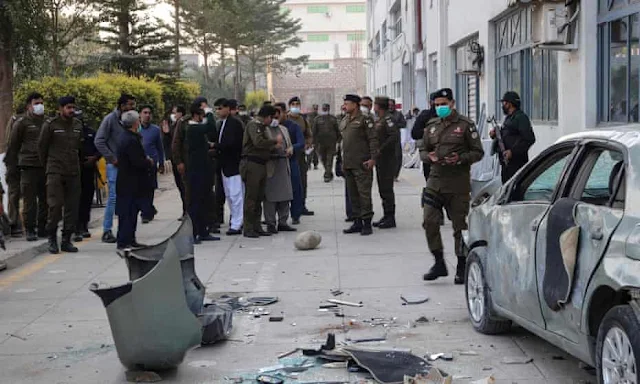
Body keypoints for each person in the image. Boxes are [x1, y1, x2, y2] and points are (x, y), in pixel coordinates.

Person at [421, 88, 484, 284]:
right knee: (429, 221)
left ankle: (461, 264)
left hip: (458, 184)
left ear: (452, 103)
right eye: (437, 104)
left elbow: (478, 152)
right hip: (434, 181)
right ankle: (439, 261)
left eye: (443, 104)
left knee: (460, 227)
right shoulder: (431, 125)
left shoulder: (465, 125)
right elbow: (423, 148)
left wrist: (460, 159)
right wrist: (428, 156)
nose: (440, 107)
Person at [38, 96, 83, 254]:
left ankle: (66, 240)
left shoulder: (77, 124)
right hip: (55, 170)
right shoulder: (50, 125)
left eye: (73, 108)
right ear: (60, 109)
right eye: (68, 108)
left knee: (72, 207)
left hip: (73, 171)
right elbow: (42, 148)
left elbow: (79, 147)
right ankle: (52, 238)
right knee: (55, 206)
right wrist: (49, 167)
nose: (71, 111)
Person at [5, 92, 48, 241]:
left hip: (45, 166)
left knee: (46, 199)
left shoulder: (47, 122)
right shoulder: (21, 123)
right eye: (36, 103)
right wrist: (12, 168)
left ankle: (42, 227)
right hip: (27, 166)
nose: (40, 106)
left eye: (41, 103)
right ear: (28, 106)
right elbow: (13, 146)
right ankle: (30, 229)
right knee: (29, 201)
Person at [95, 93, 136, 243]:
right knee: (113, 198)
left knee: (128, 198)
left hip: (128, 166)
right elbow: (99, 141)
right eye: (130, 105)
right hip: (115, 166)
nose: (132, 108)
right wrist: (112, 158)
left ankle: (125, 230)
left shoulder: (130, 121)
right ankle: (107, 230)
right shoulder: (110, 120)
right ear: (122, 105)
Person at [114, 110, 154, 250]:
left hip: (129, 181)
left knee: (131, 213)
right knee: (127, 213)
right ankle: (124, 241)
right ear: (135, 122)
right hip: (130, 182)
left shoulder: (127, 137)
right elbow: (137, 161)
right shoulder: (130, 140)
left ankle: (130, 239)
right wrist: (148, 161)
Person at [340, 94, 379, 236]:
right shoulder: (345, 120)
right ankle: (357, 221)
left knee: (364, 194)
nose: (345, 106)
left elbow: (373, 140)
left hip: (362, 163)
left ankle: (367, 223)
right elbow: (343, 143)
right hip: (348, 163)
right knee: (353, 195)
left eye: (347, 103)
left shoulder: (365, 119)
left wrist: (373, 158)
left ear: (355, 105)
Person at [240, 105, 279, 238]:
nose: (272, 121)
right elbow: (258, 142)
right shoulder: (254, 125)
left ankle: (257, 226)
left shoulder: (263, 127)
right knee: (251, 197)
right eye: (271, 118)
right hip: (252, 165)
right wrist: (274, 142)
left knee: (259, 197)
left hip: (261, 164)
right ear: (267, 117)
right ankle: (248, 227)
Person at [185, 102, 220, 243]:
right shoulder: (193, 128)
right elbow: (210, 126)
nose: (203, 118)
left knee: (205, 201)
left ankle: (203, 231)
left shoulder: (197, 129)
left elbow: (210, 134)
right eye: (201, 116)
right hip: (196, 171)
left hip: (203, 170)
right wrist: (210, 113)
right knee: (196, 203)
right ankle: (193, 233)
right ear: (196, 116)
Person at [212, 98, 244, 236]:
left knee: (237, 195)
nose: (218, 111)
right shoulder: (222, 124)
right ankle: (235, 221)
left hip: (234, 165)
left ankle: (237, 224)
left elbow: (232, 144)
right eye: (216, 109)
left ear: (227, 108)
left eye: (220, 108)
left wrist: (215, 146)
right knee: (230, 196)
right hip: (224, 165)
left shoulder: (234, 124)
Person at [491, 91, 536, 183]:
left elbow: (529, 139)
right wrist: (496, 134)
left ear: (509, 104)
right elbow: (508, 135)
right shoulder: (509, 118)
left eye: (504, 103)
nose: (503, 105)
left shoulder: (521, 118)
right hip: (506, 164)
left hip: (517, 165)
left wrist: (513, 152)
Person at [264, 107, 296, 234]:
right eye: (273, 117)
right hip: (271, 166)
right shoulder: (264, 130)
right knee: (270, 198)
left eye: (277, 117)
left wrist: (290, 150)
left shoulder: (284, 129)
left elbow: (289, 145)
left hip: (283, 164)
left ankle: (283, 222)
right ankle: (271, 223)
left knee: (285, 196)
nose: (275, 120)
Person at [275, 103, 304, 225]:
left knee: (295, 188)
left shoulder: (293, 126)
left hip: (291, 161)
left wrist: (292, 148)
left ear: (284, 112)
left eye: (278, 114)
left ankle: (296, 214)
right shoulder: (272, 127)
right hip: (276, 162)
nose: (276, 117)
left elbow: (301, 142)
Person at [74, 110, 101, 242]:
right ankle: (75, 227)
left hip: (88, 170)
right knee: (74, 200)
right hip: (73, 171)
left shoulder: (90, 132)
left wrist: (95, 158)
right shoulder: (70, 133)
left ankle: (84, 225)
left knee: (87, 198)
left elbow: (99, 147)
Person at [372, 97, 399, 229]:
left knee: (387, 189)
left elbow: (393, 136)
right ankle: (386, 215)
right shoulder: (380, 119)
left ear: (378, 106)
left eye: (375, 105)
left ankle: (390, 217)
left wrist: (381, 149)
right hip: (381, 159)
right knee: (382, 188)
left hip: (387, 159)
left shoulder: (388, 119)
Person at [287, 97, 314, 216]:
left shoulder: (303, 119)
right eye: (293, 104)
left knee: (302, 181)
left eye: (297, 104)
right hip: (287, 154)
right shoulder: (286, 119)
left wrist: (308, 143)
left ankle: (301, 206)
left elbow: (308, 134)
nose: (295, 106)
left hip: (300, 154)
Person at [138, 105, 165, 223]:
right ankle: (148, 209)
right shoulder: (135, 129)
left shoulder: (155, 130)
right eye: (145, 112)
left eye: (149, 113)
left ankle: (146, 213)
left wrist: (161, 163)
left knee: (150, 189)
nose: (147, 115)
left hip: (152, 164)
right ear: (140, 114)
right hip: (138, 164)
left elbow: (160, 147)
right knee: (139, 189)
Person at [4, 105, 26, 237]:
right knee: (24, 194)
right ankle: (22, 225)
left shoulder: (14, 120)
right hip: (20, 162)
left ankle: (16, 225)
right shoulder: (20, 121)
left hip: (16, 162)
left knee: (14, 194)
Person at [162, 105, 187, 218]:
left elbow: (177, 142)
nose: (173, 115)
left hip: (182, 161)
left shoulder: (183, 125)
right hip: (175, 161)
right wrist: (166, 133)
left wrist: (168, 133)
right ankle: (185, 210)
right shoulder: (174, 125)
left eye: (175, 112)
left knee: (185, 187)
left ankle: (187, 211)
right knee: (181, 187)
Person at [412, 92, 438, 184]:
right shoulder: (425, 116)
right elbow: (415, 134)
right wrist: (426, 131)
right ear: (430, 103)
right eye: (437, 103)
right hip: (430, 156)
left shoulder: (453, 117)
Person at [313, 103, 341, 182]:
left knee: (329, 159)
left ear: (328, 109)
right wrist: (313, 142)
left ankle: (327, 175)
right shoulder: (317, 119)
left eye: (326, 108)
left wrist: (338, 140)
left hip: (331, 142)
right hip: (320, 143)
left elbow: (337, 130)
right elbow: (314, 131)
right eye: (324, 108)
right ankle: (328, 171)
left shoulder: (333, 118)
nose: (325, 109)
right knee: (323, 159)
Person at [389, 99, 407, 181]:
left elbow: (404, 124)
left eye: (392, 105)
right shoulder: (384, 114)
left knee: (397, 157)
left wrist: (395, 124)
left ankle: (395, 175)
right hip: (385, 140)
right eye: (389, 105)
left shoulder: (398, 114)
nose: (390, 107)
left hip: (396, 139)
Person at [307, 104, 319, 170]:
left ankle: (315, 164)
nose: (315, 110)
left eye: (316, 109)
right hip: (310, 136)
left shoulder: (318, 116)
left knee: (315, 152)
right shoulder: (310, 116)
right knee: (310, 151)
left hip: (316, 136)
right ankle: (309, 164)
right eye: (314, 108)